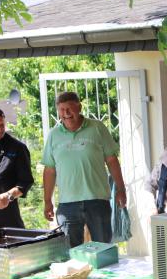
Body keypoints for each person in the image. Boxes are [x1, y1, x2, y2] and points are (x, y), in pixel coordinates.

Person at [42, 91, 126, 247]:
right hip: (67, 205)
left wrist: (121, 188)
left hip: (97, 200)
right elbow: (50, 170)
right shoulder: (54, 135)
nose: (66, 113)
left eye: (69, 108)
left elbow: (112, 160)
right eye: (61, 110)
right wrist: (47, 201)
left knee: (102, 250)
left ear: (79, 107)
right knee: (71, 253)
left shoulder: (97, 128)